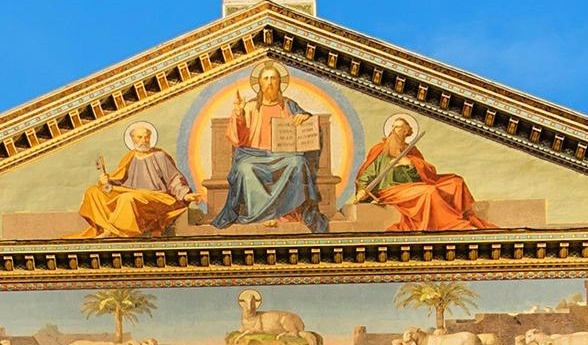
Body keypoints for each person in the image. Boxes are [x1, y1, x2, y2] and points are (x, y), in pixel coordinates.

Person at [205, 63, 327, 231]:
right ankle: (260, 215)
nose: (270, 82)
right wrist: (239, 114)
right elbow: (237, 138)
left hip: (283, 156)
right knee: (244, 168)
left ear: (279, 82)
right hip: (253, 155)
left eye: (273, 78)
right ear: (260, 83)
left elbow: (311, 123)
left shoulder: (290, 105)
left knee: (298, 162)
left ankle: (287, 214)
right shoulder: (249, 106)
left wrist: (304, 117)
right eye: (266, 78)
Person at [351, 116, 490, 231]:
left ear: (406, 131)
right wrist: (362, 190)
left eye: (398, 127)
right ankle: (453, 225)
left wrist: (411, 164)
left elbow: (426, 175)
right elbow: (367, 174)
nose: (393, 130)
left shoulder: (412, 151)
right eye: (393, 127)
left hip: (412, 187)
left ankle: (461, 216)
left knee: (455, 182)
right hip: (390, 190)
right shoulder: (380, 150)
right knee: (429, 192)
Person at [75, 121, 196, 239]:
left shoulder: (160, 156)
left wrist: (185, 194)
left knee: (126, 199)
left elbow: (174, 178)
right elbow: (120, 180)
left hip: (156, 197)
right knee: (93, 191)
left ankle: (112, 231)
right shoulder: (129, 157)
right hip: (132, 193)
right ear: (132, 139)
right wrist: (106, 181)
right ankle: (107, 227)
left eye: (146, 137)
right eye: (140, 137)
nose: (144, 140)